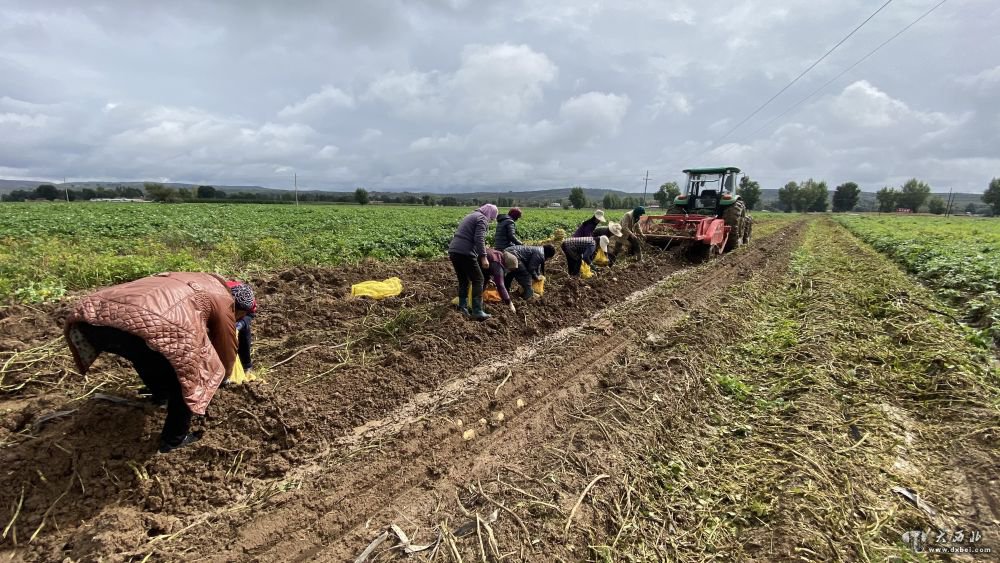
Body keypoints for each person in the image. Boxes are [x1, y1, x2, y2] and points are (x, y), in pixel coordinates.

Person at [64, 272, 256, 453]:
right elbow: (226, 343)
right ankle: (174, 439)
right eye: (241, 316)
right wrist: (224, 375)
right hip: (148, 322)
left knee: (143, 354)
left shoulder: (197, 278)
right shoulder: (223, 300)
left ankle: (160, 395)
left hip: (92, 318)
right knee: (190, 378)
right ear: (237, 309)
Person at [448, 203, 499, 320]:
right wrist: (483, 256)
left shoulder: (472, 215)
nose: (490, 220)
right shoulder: (482, 219)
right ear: (490, 214)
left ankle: (462, 307)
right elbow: (479, 238)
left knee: (463, 280)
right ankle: (477, 310)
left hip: (454, 250)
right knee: (478, 279)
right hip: (465, 251)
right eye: (492, 218)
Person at [481, 248, 519, 318]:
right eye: (510, 269)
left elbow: (486, 272)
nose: (509, 271)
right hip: (473, 262)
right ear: (508, 265)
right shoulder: (498, 264)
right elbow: (500, 285)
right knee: (477, 283)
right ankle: (475, 306)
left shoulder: (499, 254)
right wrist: (509, 303)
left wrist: (489, 279)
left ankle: (477, 301)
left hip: (473, 258)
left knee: (482, 281)